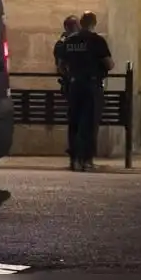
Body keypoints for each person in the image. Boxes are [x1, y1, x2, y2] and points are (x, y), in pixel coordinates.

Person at [60, 11, 115, 171]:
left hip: (74, 85)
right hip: (91, 85)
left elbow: (62, 65)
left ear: (81, 23)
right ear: (93, 23)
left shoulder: (70, 41)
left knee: (75, 123)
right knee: (89, 123)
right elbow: (109, 64)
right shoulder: (97, 40)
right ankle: (86, 160)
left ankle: (74, 159)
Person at [54, 15, 81, 169]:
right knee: (79, 121)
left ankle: (74, 153)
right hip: (75, 85)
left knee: (73, 121)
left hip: (70, 85)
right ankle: (78, 154)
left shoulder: (61, 43)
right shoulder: (74, 42)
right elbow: (61, 65)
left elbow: (59, 65)